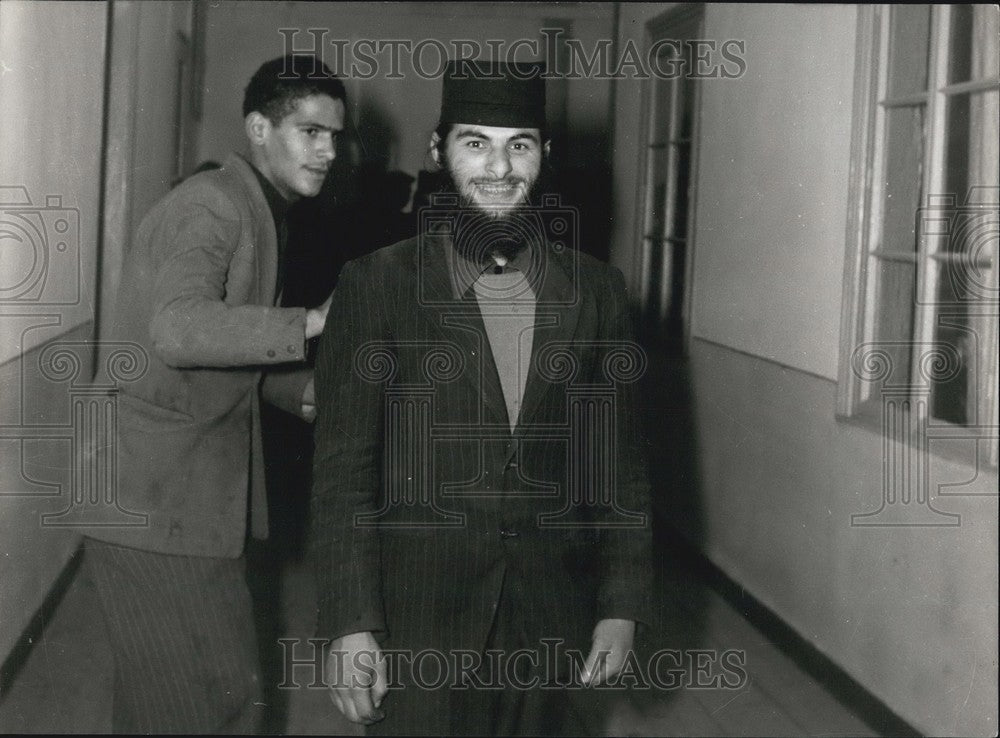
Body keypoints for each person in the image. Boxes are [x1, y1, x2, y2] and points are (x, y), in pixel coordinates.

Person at [310, 60, 653, 736]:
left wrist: (623, 603)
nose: (500, 167)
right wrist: (349, 623)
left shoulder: (597, 291)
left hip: (548, 614)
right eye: (476, 142)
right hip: (416, 620)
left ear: (544, 154)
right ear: (438, 152)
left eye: (519, 144)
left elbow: (620, 464)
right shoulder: (376, 285)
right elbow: (343, 471)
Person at [83, 54, 346, 733]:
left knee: (169, 705)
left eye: (335, 136)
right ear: (259, 128)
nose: (328, 151)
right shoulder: (215, 204)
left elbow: (230, 349)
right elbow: (178, 328)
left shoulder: (257, 209)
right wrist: (313, 321)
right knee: (215, 701)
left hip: (169, 498)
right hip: (155, 502)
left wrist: (313, 394)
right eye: (311, 131)